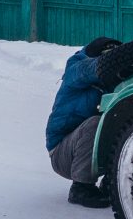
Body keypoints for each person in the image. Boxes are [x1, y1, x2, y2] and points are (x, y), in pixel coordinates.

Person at [45, 36, 122, 207]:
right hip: (62, 153)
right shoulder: (76, 69)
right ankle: (80, 188)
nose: (113, 57)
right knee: (95, 124)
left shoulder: (111, 83)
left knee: (131, 122)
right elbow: (88, 70)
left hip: (86, 149)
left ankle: (113, 182)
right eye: (108, 54)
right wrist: (114, 60)